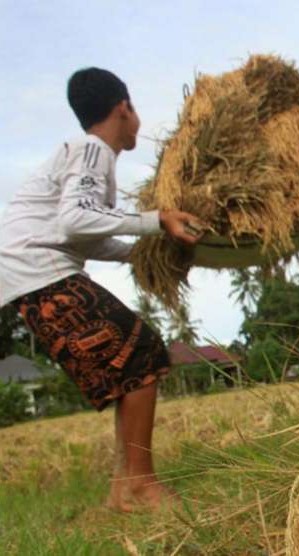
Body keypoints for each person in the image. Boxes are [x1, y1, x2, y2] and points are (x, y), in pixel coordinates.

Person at [0, 67, 203, 512]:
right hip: (39, 273)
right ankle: (141, 486)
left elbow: (84, 235)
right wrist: (158, 219)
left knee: (132, 363)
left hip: (33, 275)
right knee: (143, 352)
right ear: (123, 108)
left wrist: (144, 253)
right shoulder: (93, 150)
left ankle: (123, 490)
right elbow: (75, 220)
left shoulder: (82, 153)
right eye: (134, 109)